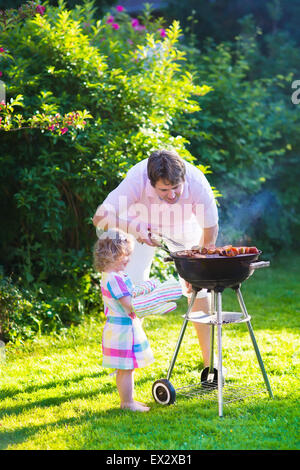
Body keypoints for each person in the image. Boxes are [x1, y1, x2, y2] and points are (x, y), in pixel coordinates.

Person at [93, 149, 219, 368]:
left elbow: (210, 231)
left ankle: (211, 362)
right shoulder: (137, 177)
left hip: (184, 227)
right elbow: (99, 218)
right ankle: (127, 359)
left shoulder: (198, 183)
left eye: (176, 188)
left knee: (200, 289)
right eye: (164, 189)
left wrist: (196, 265)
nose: (171, 195)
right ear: (151, 183)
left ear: (184, 179)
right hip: (138, 224)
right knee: (127, 292)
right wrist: (134, 227)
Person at [94, 228, 182, 412]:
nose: (128, 259)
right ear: (112, 254)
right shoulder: (114, 279)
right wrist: (154, 300)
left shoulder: (113, 276)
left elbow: (130, 293)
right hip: (122, 330)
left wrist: (145, 288)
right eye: (125, 255)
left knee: (128, 368)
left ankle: (129, 400)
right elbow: (129, 305)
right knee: (125, 368)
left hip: (123, 328)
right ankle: (127, 403)